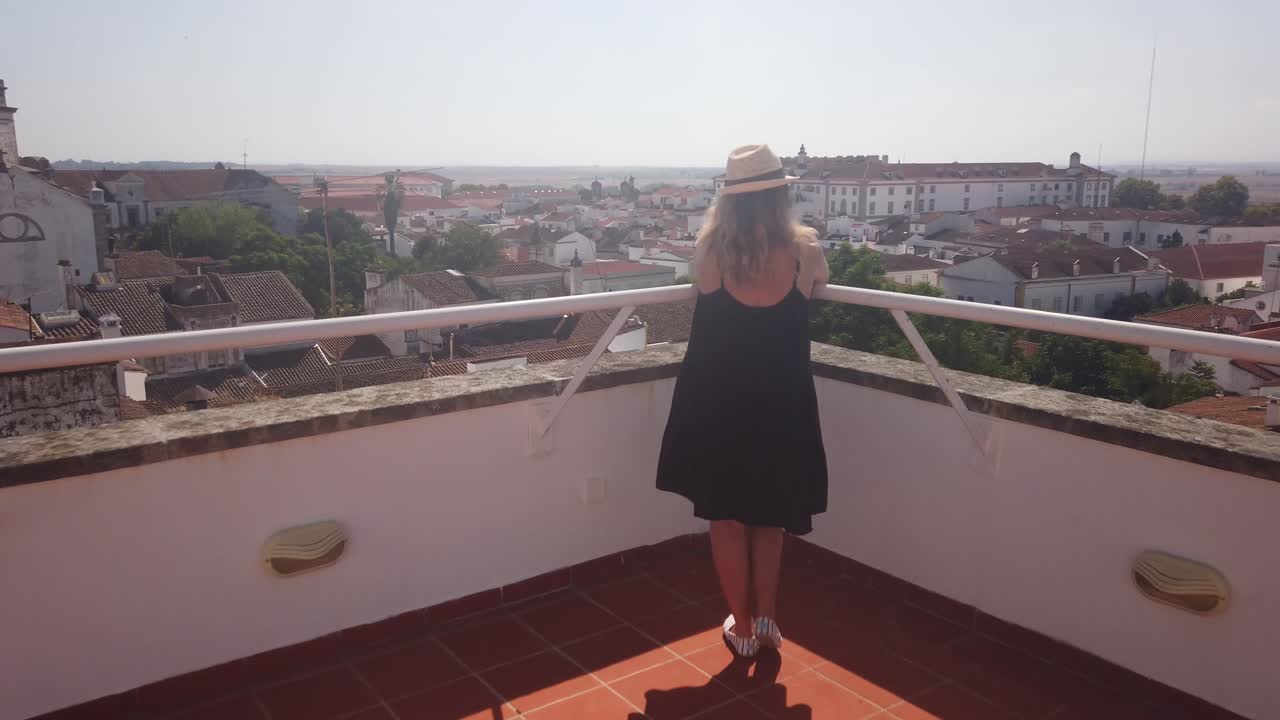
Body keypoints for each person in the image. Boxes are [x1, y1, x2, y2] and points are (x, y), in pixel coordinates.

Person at [656, 144, 829, 657]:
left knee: (726, 518)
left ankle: (745, 629)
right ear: (780, 197)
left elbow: (703, 290)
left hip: (718, 400)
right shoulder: (804, 253)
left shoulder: (711, 253)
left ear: (729, 200)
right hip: (781, 401)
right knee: (770, 517)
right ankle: (769, 619)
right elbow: (820, 285)